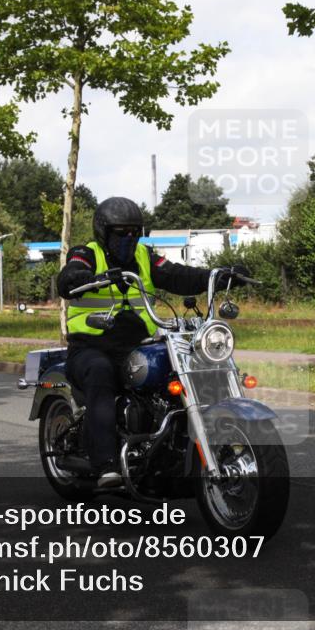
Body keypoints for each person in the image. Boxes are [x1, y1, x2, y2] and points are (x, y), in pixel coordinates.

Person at [57, 197, 247, 487]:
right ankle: (107, 464)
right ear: (104, 233)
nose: (129, 238)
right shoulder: (86, 253)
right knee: (100, 372)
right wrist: (85, 277)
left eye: (134, 232)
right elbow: (69, 278)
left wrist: (217, 275)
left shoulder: (144, 256)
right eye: (121, 233)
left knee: (178, 369)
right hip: (91, 346)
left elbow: (176, 275)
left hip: (136, 345)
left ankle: (174, 449)